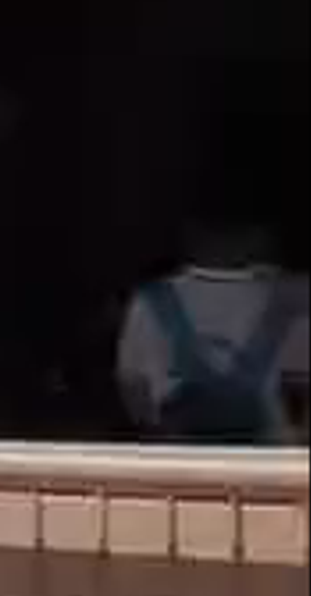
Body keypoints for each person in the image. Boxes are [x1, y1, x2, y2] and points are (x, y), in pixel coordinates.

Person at [117, 118, 311, 449]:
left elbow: (135, 396)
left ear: (188, 230)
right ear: (264, 233)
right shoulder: (295, 298)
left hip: (179, 475)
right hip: (270, 476)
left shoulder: (150, 301)